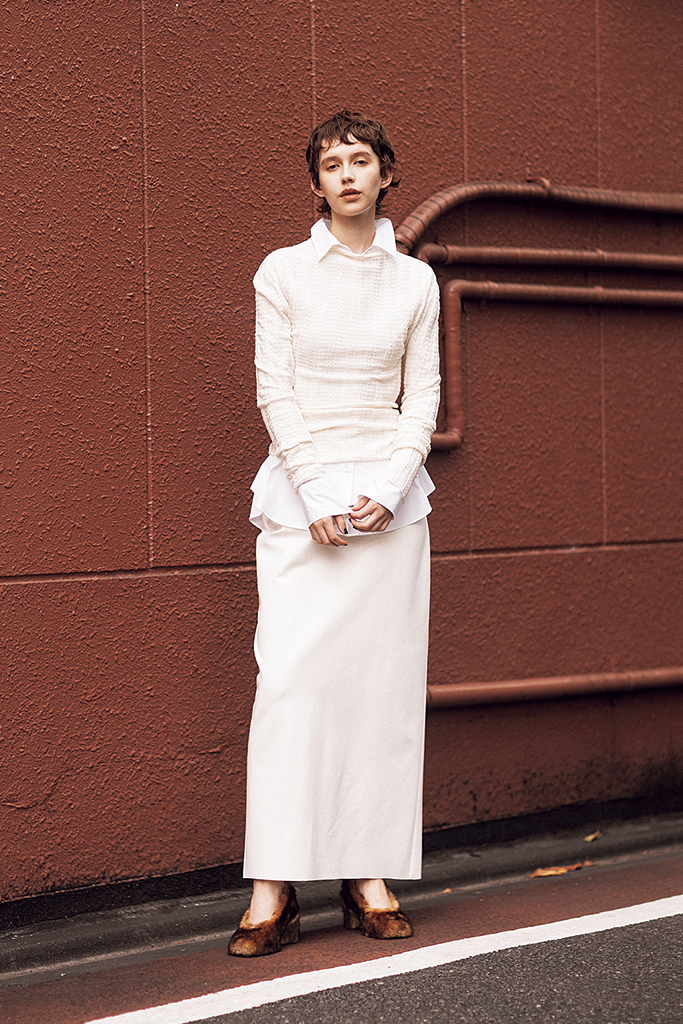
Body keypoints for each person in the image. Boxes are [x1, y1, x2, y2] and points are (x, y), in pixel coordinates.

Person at [228, 110, 441, 957]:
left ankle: (368, 877)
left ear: (386, 173)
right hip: (301, 498)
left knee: (380, 692)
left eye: (359, 160)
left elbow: (422, 397)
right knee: (290, 688)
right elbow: (274, 390)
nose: (346, 174)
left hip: (390, 505)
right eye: (330, 163)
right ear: (315, 183)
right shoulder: (281, 271)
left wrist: (388, 487)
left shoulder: (414, 281)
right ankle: (272, 888)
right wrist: (314, 488)